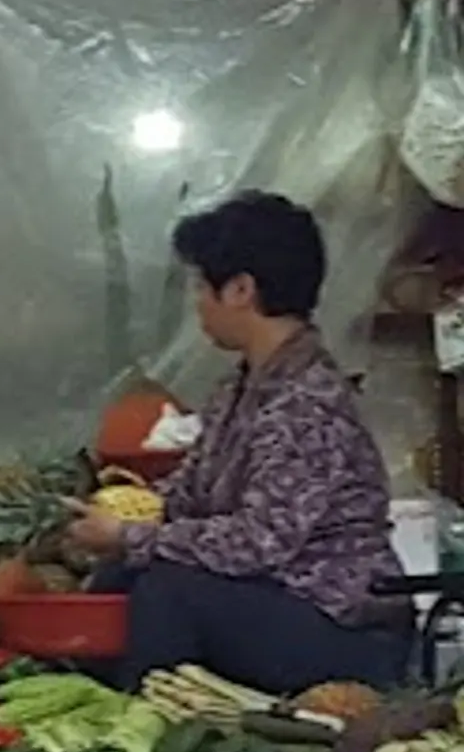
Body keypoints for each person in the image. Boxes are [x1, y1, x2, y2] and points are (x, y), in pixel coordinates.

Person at [69, 192, 405, 691]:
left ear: (242, 289)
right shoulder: (240, 387)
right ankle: (97, 702)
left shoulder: (306, 403)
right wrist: (110, 519)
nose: (198, 303)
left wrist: (129, 537)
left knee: (169, 592)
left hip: (339, 625)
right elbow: (185, 497)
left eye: (203, 286)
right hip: (272, 599)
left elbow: (256, 542)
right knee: (127, 576)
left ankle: (149, 734)